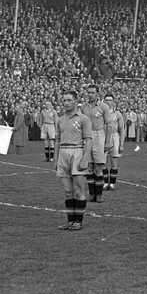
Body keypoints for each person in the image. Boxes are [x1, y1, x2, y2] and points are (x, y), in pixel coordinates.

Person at [55, 90, 93, 231]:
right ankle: (70, 221)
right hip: (63, 154)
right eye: (64, 100)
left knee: (78, 190)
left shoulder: (84, 119)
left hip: (77, 151)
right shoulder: (60, 119)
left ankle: (79, 221)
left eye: (69, 100)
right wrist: (56, 158)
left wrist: (84, 159)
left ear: (76, 101)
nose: (66, 103)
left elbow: (88, 140)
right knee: (67, 191)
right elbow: (57, 140)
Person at [81, 84, 111, 202]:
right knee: (89, 166)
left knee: (98, 166)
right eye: (88, 92)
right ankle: (91, 194)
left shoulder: (103, 107)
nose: (90, 94)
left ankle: (99, 195)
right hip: (87, 137)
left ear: (97, 93)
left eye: (93, 92)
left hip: (99, 135)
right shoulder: (84, 107)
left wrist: (107, 141)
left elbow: (108, 124)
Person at [103, 92, 125, 191]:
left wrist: (122, 144)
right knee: (102, 162)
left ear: (113, 102)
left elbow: (122, 129)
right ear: (104, 101)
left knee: (113, 162)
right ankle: (103, 182)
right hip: (102, 137)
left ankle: (112, 183)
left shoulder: (117, 114)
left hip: (114, 137)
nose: (108, 102)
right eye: (106, 100)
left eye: (110, 100)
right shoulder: (100, 113)